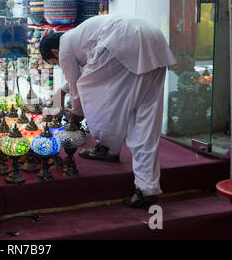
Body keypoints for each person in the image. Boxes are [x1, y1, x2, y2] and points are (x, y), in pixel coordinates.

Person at [40, 14, 176, 208]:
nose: (59, 64)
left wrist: (75, 117)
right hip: (154, 40)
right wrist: (61, 92)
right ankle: (147, 188)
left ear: (54, 51)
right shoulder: (79, 36)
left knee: (96, 97)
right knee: (145, 121)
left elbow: (77, 85)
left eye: (55, 63)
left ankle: (108, 147)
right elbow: (82, 74)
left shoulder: (65, 47)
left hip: (125, 42)